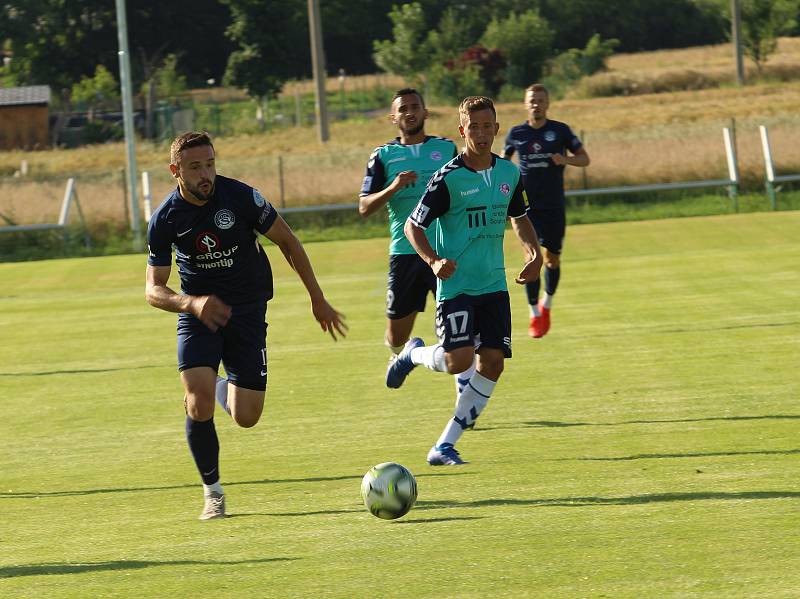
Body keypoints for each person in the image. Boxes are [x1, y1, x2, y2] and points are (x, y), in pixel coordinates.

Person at [145, 131, 346, 520]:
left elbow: (287, 241)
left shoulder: (241, 197)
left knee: (247, 416)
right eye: (195, 167)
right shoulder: (166, 219)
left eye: (210, 164)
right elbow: (153, 290)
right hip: (199, 316)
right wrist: (191, 302)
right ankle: (213, 492)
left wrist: (316, 298)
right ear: (175, 171)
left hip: (248, 311)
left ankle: (218, 386)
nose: (206, 174)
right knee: (199, 401)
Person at [387, 96, 543, 466]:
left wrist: (533, 254)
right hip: (456, 286)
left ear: (497, 128)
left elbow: (518, 217)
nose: (482, 133)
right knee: (458, 361)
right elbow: (413, 225)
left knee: (492, 363)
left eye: (488, 126)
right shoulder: (448, 178)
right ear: (462, 131)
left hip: (493, 285)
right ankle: (413, 353)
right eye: (474, 127)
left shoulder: (509, 174)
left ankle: (444, 445)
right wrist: (433, 260)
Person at [358, 89, 473, 395]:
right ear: (393, 117)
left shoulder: (446, 149)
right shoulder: (382, 155)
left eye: (414, 107)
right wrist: (394, 186)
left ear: (425, 112)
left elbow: (465, 188)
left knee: (458, 330)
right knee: (395, 336)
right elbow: (364, 207)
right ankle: (405, 352)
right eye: (403, 109)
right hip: (405, 254)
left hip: (443, 251)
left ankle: (465, 400)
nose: (409, 113)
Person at [503, 83, 590, 338]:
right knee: (532, 259)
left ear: (547, 103)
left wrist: (566, 159)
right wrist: (504, 195)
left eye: (540, 100)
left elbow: (585, 159)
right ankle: (534, 314)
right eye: (532, 100)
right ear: (525, 103)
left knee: (552, 259)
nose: (536, 104)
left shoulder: (560, 131)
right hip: (526, 208)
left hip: (554, 206)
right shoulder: (516, 133)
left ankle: (547, 305)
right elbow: (502, 164)